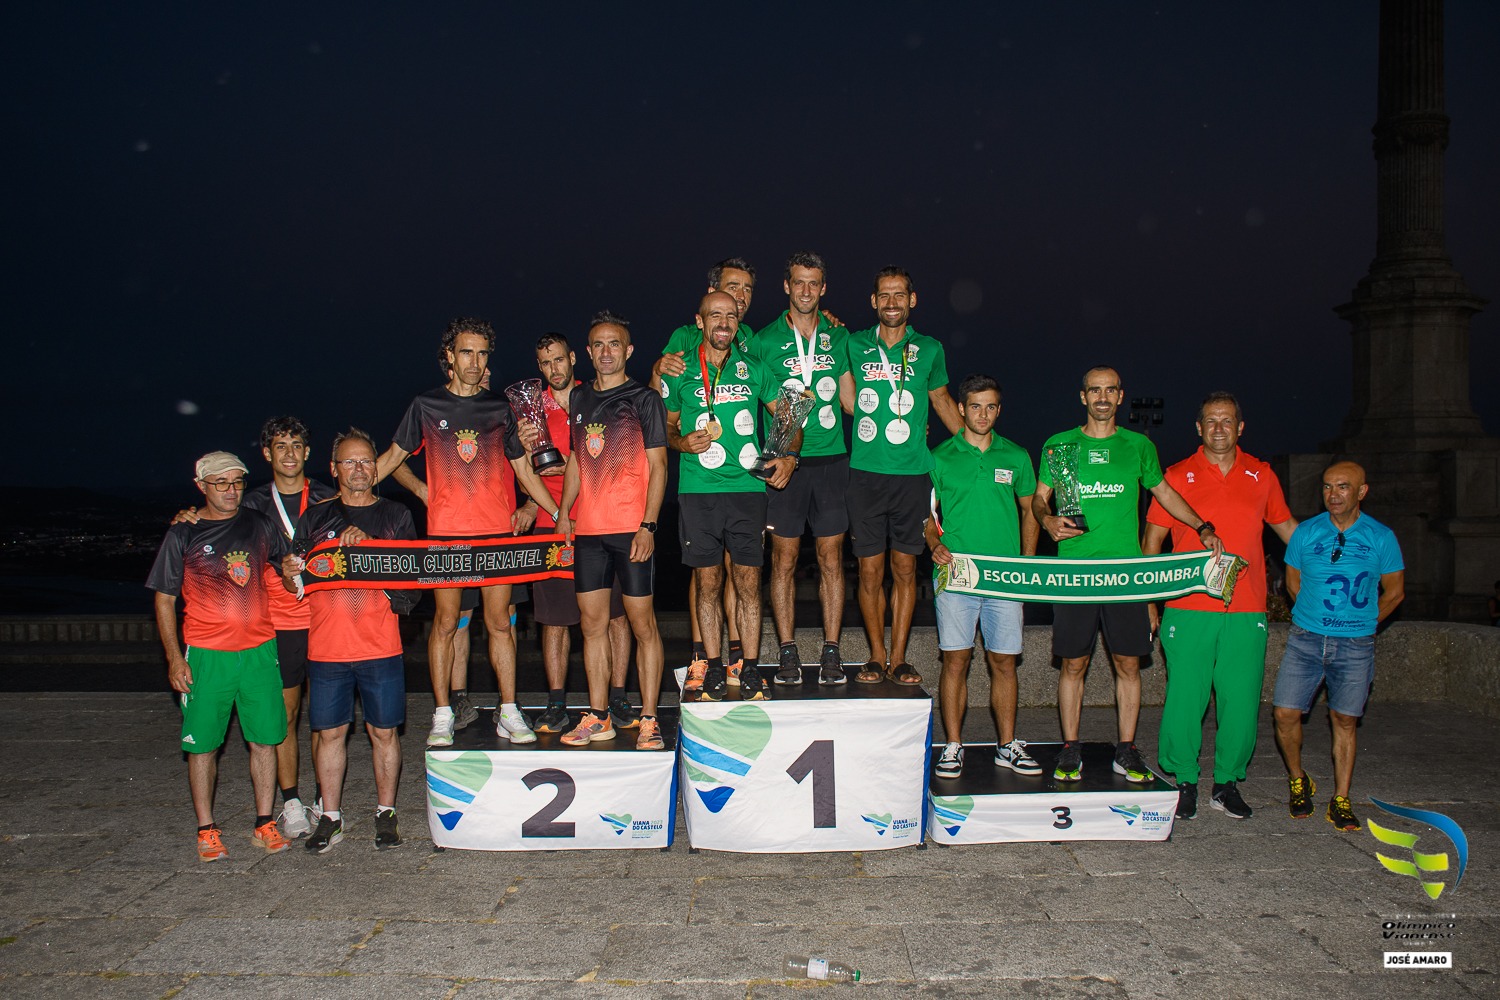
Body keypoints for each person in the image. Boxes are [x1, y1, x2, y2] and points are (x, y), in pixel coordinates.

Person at [1032, 365, 1221, 784]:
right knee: (1074, 664)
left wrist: (1202, 526)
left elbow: (1165, 494)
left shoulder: (1138, 446)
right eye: (1094, 390)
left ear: (1121, 396)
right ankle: (1070, 747)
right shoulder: (1060, 447)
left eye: (1110, 390)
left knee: (1128, 664)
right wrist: (1046, 521)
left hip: (1126, 575)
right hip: (1075, 575)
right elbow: (1039, 500)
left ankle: (1127, 749)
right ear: (1083, 397)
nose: (1102, 397)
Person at [374, 317, 554, 748]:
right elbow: (391, 457)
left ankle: (508, 711)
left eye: (482, 353)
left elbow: (523, 470)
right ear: (449, 358)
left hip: (496, 533)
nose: (475, 362)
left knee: (499, 623)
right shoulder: (425, 404)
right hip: (447, 535)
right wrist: (416, 490)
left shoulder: (499, 408)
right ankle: (442, 714)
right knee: (446, 622)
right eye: (466, 352)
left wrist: (560, 514)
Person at [1142, 393, 1297, 820]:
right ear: (1198, 428)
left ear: (1240, 427)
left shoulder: (1261, 475)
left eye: (1227, 421)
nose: (1219, 428)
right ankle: (1185, 781)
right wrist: (1149, 601)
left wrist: (1332, 552)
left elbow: (1288, 531)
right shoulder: (1174, 475)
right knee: (1185, 698)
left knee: (1241, 700)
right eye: (1211, 421)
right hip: (1187, 606)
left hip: (1246, 609)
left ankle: (1227, 783)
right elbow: (1151, 543)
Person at [148, 451, 291, 862]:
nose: (231, 491)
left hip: (260, 651)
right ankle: (206, 829)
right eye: (221, 484)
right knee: (203, 746)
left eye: (237, 482)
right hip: (208, 655)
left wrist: (296, 567)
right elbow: (163, 600)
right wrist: (175, 659)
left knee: (265, 740)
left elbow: (289, 564)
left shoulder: (260, 525)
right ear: (201, 486)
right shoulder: (183, 534)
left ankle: (265, 822)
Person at [284, 429, 418, 853]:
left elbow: (412, 586)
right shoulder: (314, 518)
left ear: (375, 467)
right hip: (327, 647)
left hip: (380, 645)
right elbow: (296, 585)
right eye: (349, 462)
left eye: (365, 462)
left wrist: (371, 552)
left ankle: (386, 812)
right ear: (334, 468)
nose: (359, 470)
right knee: (330, 734)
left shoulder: (397, 515)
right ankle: (331, 817)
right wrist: (290, 574)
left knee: (384, 733)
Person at [662, 291, 797, 701]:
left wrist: (788, 455)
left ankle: (751, 668)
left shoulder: (755, 367)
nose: (723, 322)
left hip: (747, 491)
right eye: (714, 316)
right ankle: (716, 667)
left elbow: (790, 412)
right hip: (698, 492)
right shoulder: (680, 372)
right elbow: (666, 429)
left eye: (731, 316)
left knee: (748, 583)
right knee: (707, 582)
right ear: (699, 322)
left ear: (738, 323)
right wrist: (681, 443)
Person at [840, 266, 963, 685]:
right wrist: (881, 413)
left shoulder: (929, 348)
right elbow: (847, 398)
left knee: (906, 569)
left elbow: (942, 399)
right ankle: (875, 656)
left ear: (913, 300)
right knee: (870, 571)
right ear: (873, 301)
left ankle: (900, 658)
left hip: (913, 476)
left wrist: (970, 444)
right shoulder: (853, 342)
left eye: (900, 295)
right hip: (866, 475)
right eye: (884, 296)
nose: (892, 303)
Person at [554, 312, 670, 749]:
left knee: (643, 625)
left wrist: (648, 525)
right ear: (588, 352)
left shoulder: (643, 400)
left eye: (614, 344)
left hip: (630, 530)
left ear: (628, 350)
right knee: (591, 625)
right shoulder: (580, 400)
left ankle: (648, 717)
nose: (606, 352)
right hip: (590, 534)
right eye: (598, 345)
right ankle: (598, 715)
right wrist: (565, 512)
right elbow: (575, 463)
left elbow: (659, 466)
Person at [1272, 460, 1404, 831]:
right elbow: (1292, 583)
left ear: (1361, 491)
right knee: (1284, 714)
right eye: (1328, 487)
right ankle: (1299, 780)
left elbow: (1395, 592)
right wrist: (1314, 619)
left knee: (1344, 719)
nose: (1334, 494)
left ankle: (1341, 798)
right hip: (1306, 639)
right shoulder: (1307, 533)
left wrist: (1364, 624)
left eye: (1343, 487)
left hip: (1356, 644)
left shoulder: (1381, 536)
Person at [926, 375, 1042, 779]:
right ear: (961, 408)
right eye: (976, 406)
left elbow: (1031, 512)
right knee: (956, 660)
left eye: (991, 406)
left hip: (1006, 576)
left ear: (999, 409)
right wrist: (932, 544)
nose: (983, 414)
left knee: (1004, 662)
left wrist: (1027, 564)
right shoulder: (939, 456)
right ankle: (953, 746)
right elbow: (928, 516)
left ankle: (1007, 745)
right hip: (957, 573)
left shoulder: (1016, 456)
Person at [520, 331, 635, 734]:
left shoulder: (595, 399)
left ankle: (617, 696)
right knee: (554, 619)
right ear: (540, 367)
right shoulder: (529, 412)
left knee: (616, 616)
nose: (554, 369)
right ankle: (556, 703)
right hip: (551, 528)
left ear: (573, 358)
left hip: (602, 521)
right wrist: (537, 500)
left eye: (559, 360)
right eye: (545, 362)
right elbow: (520, 471)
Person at [750, 251, 852, 686]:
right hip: (782, 463)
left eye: (814, 283)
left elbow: (850, 401)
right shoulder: (762, 340)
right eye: (799, 283)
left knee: (832, 559)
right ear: (786, 286)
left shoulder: (839, 337)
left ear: (823, 288)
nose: (806, 291)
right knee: (784, 560)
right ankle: (787, 651)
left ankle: (832, 651)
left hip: (831, 461)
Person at [652, 258, 757, 668]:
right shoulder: (684, 334)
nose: (739, 296)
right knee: (706, 572)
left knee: (741, 572)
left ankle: (736, 655)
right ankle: (702, 657)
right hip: (701, 480)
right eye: (732, 287)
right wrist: (657, 367)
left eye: (747, 290)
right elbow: (661, 397)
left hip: (745, 479)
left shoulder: (752, 338)